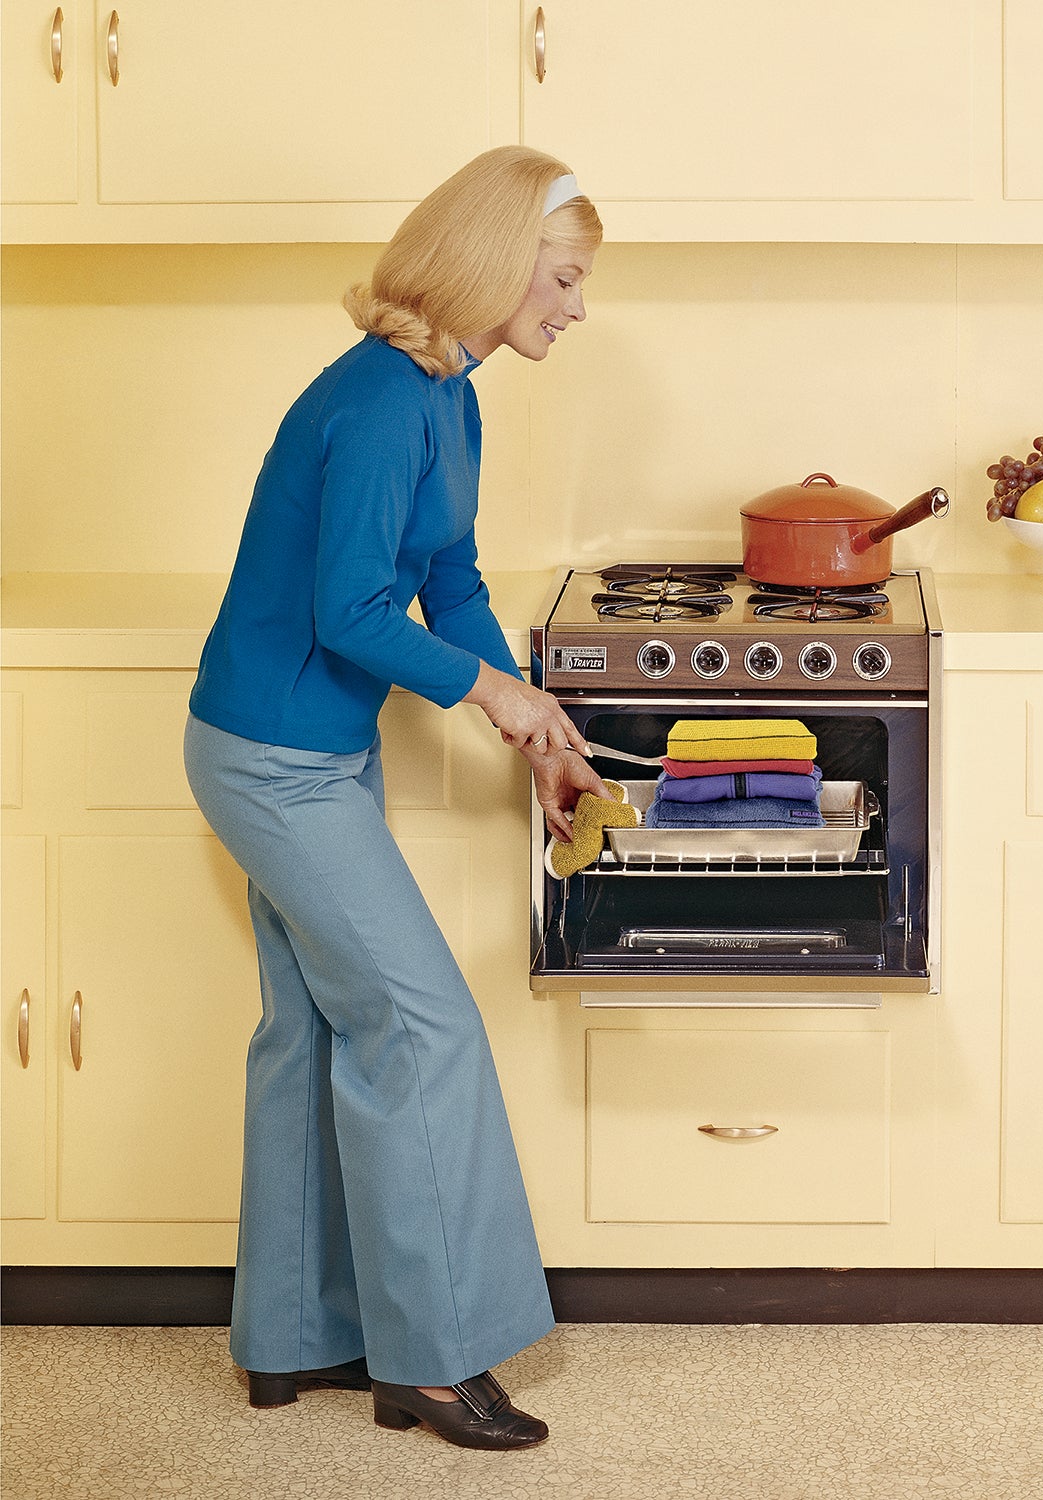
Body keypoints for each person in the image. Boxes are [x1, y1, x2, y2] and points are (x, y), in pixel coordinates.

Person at [182, 146, 609, 1451]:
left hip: (303, 749)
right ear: (494, 265)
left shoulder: (449, 393)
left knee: (309, 1030)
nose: (578, 308)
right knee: (423, 1029)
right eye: (565, 278)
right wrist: (493, 698)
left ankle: (293, 1338)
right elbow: (351, 609)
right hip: (272, 761)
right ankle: (431, 1364)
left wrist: (537, 717)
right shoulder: (377, 402)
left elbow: (450, 579)